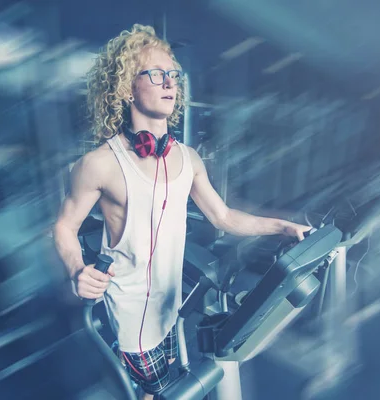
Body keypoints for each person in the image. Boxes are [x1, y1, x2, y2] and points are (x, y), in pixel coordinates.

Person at [53, 24, 310, 399]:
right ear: (127, 88)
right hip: (130, 318)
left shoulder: (187, 158)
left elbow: (224, 217)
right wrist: (77, 269)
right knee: (168, 392)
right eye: (155, 74)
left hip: (169, 308)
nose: (169, 82)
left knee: (160, 390)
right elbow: (64, 227)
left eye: (172, 75)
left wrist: (282, 227)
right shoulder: (100, 164)